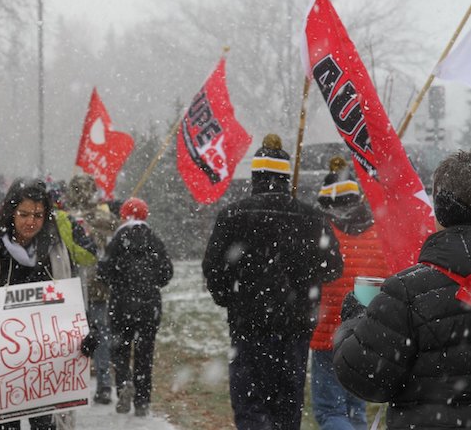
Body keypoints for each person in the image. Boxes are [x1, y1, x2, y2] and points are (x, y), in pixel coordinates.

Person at [202, 134, 342, 429]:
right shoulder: (312, 218)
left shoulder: (234, 215)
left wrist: (232, 298)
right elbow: (332, 267)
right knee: (287, 405)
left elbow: (213, 269)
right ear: (285, 178)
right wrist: (305, 281)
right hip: (295, 327)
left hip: (247, 325)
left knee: (250, 405)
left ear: (256, 177)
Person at [333, 150, 471, 429]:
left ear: (439, 209)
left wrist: (356, 318)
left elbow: (364, 376)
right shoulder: (405, 291)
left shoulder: (406, 292)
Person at [0, 178, 72, 430]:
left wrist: (84, 333)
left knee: (46, 425)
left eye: (39, 215)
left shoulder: (56, 251)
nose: (31, 222)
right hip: (0, 364)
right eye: (24, 214)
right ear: (11, 212)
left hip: (45, 363)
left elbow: (72, 302)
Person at [308, 157, 389, 430]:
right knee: (356, 410)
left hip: (327, 334)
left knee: (329, 411)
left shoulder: (322, 233)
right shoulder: (379, 233)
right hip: (366, 335)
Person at [96, 197, 172, 417]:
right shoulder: (154, 240)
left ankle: (124, 384)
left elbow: (103, 270)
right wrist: (151, 282)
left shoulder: (118, 239)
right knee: (144, 353)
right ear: (145, 215)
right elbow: (167, 272)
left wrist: (117, 281)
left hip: (121, 304)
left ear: (123, 215)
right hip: (149, 305)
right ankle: (142, 401)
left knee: (119, 349)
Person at [63, 174, 117, 405]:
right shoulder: (104, 217)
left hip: (71, 285)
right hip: (98, 284)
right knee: (100, 334)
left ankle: (68, 384)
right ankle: (104, 384)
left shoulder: (65, 219)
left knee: (70, 337)